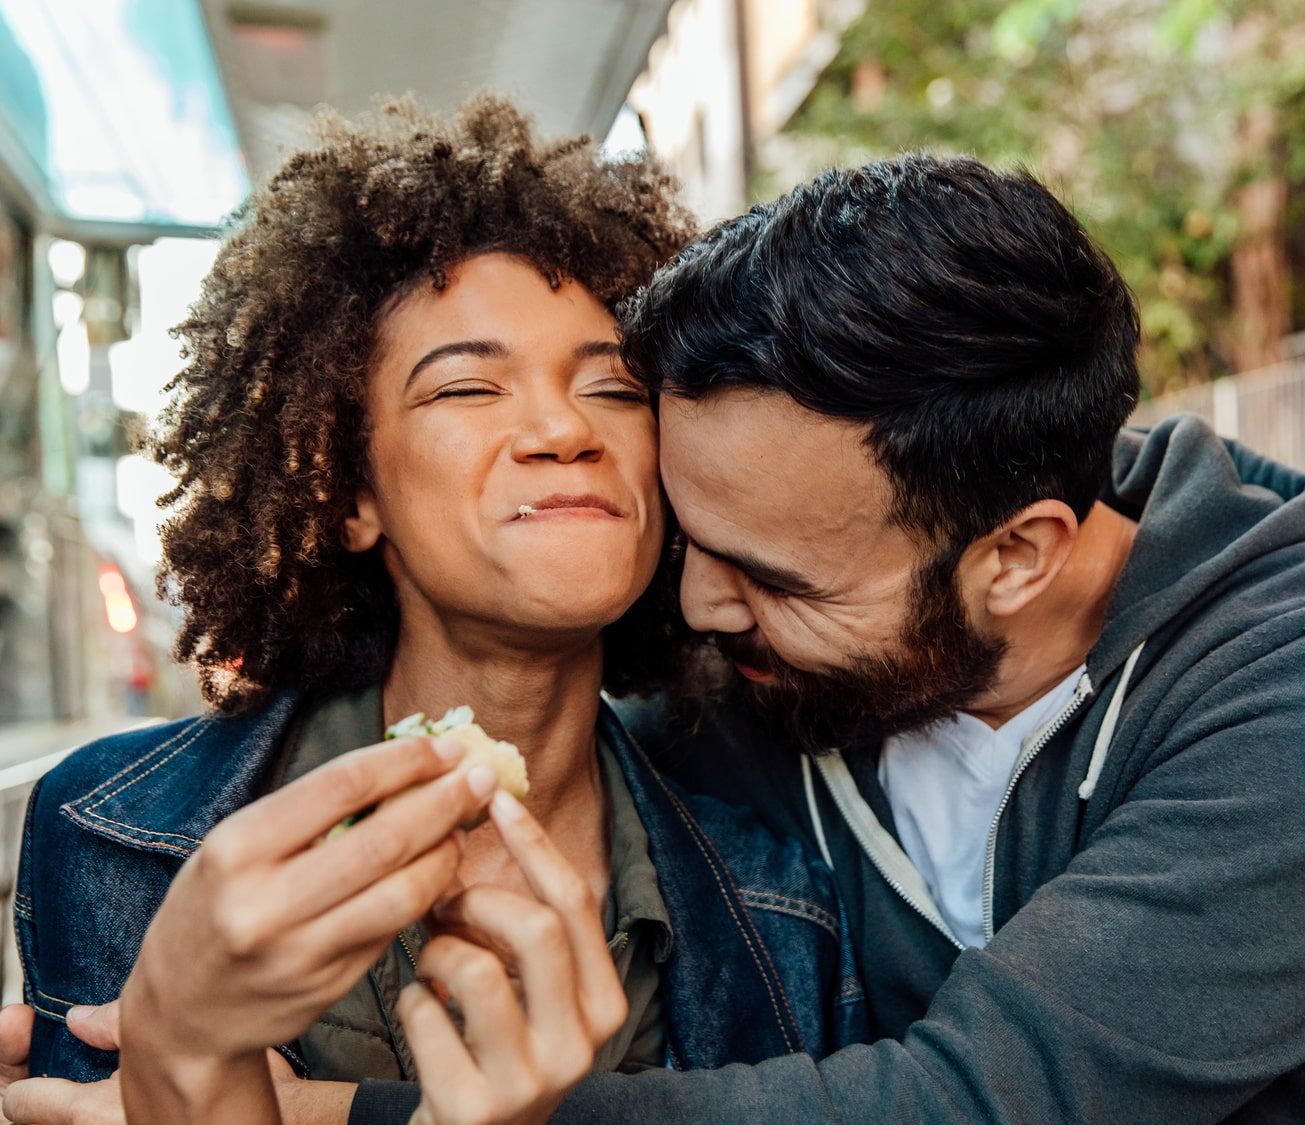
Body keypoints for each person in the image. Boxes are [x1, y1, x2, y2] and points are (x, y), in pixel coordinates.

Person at [4, 97, 865, 1125]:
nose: (560, 428)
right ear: (352, 492)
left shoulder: (787, 908)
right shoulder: (111, 826)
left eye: (615, 389)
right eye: (467, 390)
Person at [544, 154, 1305, 1121]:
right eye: (690, 537)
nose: (699, 607)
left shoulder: (1274, 699)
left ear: (1018, 556)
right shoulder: (769, 676)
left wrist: (370, 1113)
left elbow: (973, 1101)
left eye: (772, 578)